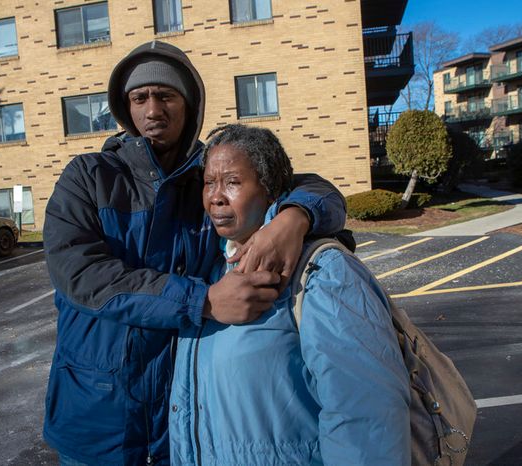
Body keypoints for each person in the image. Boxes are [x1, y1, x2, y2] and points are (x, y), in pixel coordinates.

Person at [43, 41, 348, 465]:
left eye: (166, 96)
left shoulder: (209, 178)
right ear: (125, 108)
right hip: (95, 418)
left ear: (189, 105)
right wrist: (202, 301)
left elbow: (319, 190)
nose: (153, 110)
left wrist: (294, 218)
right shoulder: (88, 177)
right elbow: (81, 275)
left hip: (182, 423)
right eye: (140, 98)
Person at [170, 124, 411, 466]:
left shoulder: (323, 272)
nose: (216, 196)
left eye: (233, 182)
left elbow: (366, 414)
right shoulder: (209, 269)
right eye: (210, 182)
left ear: (270, 190)